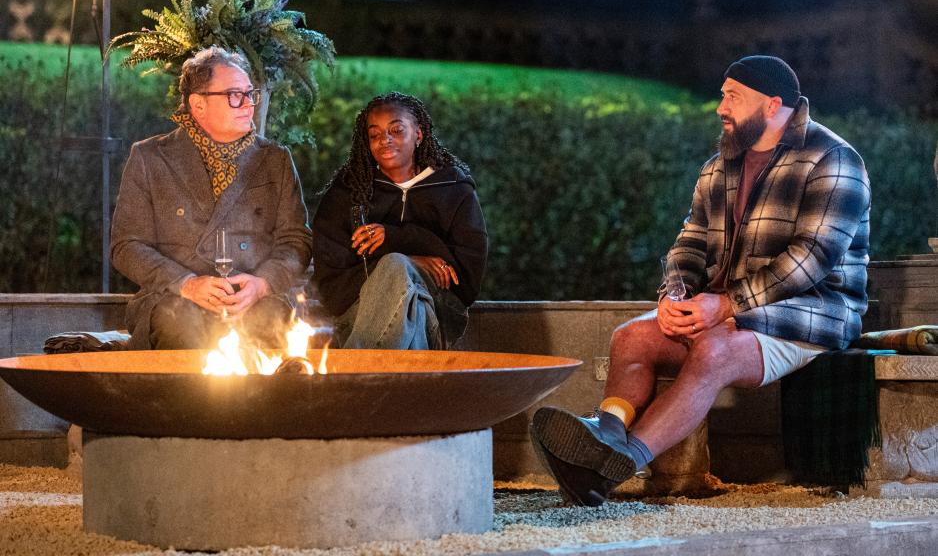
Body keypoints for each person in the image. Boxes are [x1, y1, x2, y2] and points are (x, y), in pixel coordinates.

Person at [530, 55, 872, 506]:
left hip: (812, 314)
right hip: (726, 310)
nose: (720, 107)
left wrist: (727, 306)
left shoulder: (833, 160)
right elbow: (689, 242)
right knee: (631, 338)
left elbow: (813, 259)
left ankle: (622, 461)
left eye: (733, 97)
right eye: (722, 95)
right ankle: (606, 434)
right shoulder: (719, 166)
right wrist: (676, 296)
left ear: (772, 105)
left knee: (714, 350)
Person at [111, 46, 313, 351]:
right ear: (198, 105)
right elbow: (127, 246)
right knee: (181, 323)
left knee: (271, 322)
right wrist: (186, 284)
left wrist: (262, 284)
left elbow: (297, 241)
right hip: (173, 300)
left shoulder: (275, 160)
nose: (248, 105)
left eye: (250, 94)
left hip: (254, 301)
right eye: (235, 95)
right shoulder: (150, 157)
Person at [312, 92, 487, 350]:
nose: (385, 140)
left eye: (396, 130)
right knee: (406, 294)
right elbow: (331, 286)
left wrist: (398, 240)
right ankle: (402, 386)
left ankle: (351, 374)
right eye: (375, 135)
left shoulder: (453, 189)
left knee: (404, 280)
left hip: (439, 312)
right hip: (358, 313)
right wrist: (409, 262)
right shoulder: (347, 194)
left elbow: (466, 281)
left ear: (419, 134)